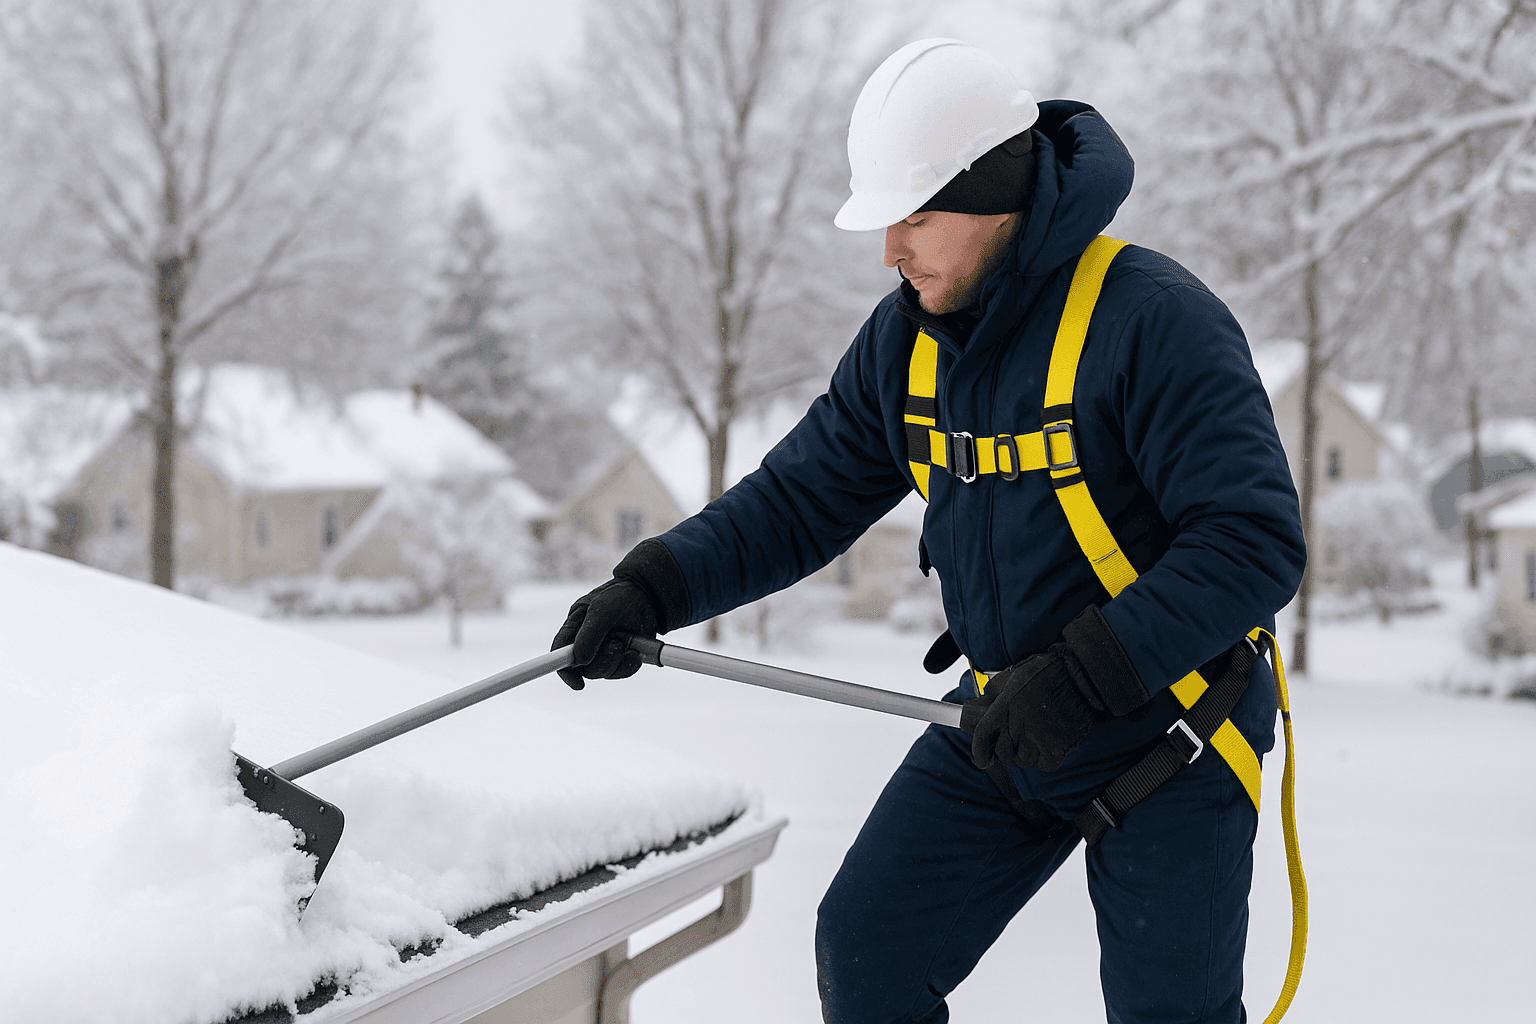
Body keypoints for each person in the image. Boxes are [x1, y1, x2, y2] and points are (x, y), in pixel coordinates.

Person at [551, 38, 1305, 1024]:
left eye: (912, 217)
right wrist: (652, 585)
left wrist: (1083, 678)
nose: (889, 250)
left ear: (994, 198)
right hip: (1003, 719)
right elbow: (797, 500)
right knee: (868, 953)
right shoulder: (903, 345)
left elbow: (1253, 539)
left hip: (1174, 729)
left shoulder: (1152, 320)